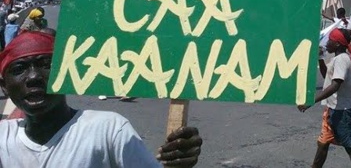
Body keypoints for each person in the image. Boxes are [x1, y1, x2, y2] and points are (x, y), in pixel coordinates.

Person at [0, 31, 203, 167]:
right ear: (4, 87)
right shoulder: (4, 137)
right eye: (19, 69)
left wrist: (178, 162)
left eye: (47, 65)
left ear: (67, 73)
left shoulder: (107, 129)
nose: (34, 77)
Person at [298, 29, 351, 168]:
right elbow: (327, 76)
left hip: (343, 112)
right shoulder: (337, 58)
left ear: (338, 44)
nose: (327, 42)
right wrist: (320, 58)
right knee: (322, 143)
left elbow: (335, 85)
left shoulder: (342, 60)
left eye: (330, 40)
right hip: (332, 110)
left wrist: (311, 101)